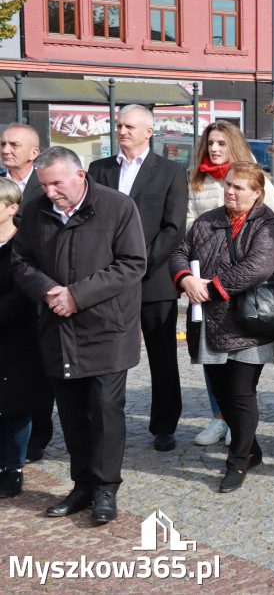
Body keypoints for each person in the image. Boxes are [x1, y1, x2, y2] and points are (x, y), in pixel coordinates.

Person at [11, 146, 147, 523]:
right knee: (70, 414)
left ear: (80, 176)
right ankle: (82, 486)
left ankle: (105, 490)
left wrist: (77, 295)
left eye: (57, 183)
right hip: (58, 327)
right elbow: (20, 261)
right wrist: (48, 291)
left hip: (107, 328)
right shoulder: (36, 208)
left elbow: (133, 264)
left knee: (105, 411)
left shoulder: (118, 207)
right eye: (44, 185)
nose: (50, 192)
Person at [169, 161, 274, 493]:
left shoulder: (266, 222)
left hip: (250, 321)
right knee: (221, 393)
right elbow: (180, 251)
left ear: (257, 193)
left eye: (238, 187)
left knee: (241, 393)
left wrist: (210, 287)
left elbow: (260, 265)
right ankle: (253, 449)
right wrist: (186, 278)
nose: (230, 191)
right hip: (210, 321)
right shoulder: (208, 220)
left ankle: (237, 461)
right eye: (228, 185)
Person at [87, 104, 188, 452]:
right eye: (119, 125)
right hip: (107, 281)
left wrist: (139, 267)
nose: (122, 131)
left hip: (154, 282)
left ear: (149, 131)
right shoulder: (98, 169)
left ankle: (164, 426)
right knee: (107, 356)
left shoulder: (171, 172)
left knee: (162, 358)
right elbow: (90, 223)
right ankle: (104, 421)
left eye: (130, 126)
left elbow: (173, 228)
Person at [186, 120, 274, 447]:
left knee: (241, 365)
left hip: (243, 287)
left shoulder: (252, 177)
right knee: (211, 358)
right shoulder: (196, 180)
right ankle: (220, 418)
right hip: (204, 286)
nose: (214, 149)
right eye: (210, 143)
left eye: (221, 143)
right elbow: (189, 227)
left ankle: (239, 425)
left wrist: (246, 258)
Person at [1, 124, 51, 463]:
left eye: (13, 144)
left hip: (37, 291)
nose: (6, 149)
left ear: (33, 152)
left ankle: (38, 437)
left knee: (37, 371)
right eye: (2, 143)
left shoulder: (44, 186)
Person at [0, 178, 46, 498]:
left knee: (15, 405)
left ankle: (13, 467)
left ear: (12, 208)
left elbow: (24, 292)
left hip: (18, 336)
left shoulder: (24, 245)